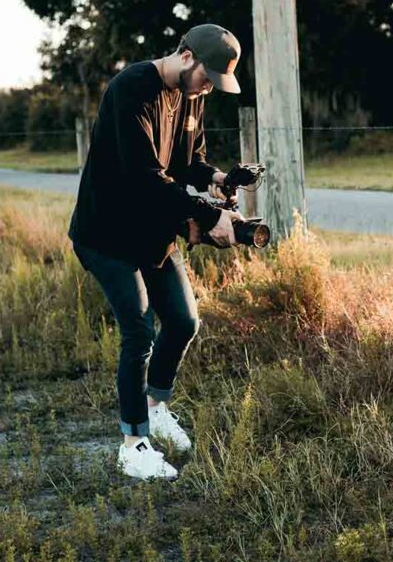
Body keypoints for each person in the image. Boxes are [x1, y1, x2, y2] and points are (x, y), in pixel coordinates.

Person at [69, 24, 244, 480]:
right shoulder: (132, 90)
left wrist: (220, 181)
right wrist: (209, 219)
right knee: (139, 329)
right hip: (106, 234)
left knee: (185, 321)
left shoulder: (191, 97)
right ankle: (134, 444)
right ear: (186, 56)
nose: (208, 88)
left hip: (152, 232)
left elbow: (191, 162)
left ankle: (156, 408)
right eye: (207, 77)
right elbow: (147, 179)